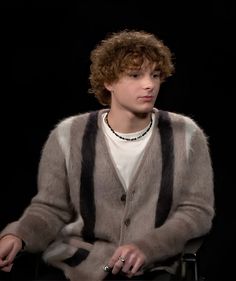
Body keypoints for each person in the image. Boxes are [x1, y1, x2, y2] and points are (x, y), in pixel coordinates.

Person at [0, 29, 214, 281]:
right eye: (135, 75)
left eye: (155, 75)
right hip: (79, 265)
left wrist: (149, 247)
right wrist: (18, 235)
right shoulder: (68, 135)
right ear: (108, 81)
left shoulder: (187, 134)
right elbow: (50, 208)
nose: (149, 84)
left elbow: (196, 212)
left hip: (155, 268)